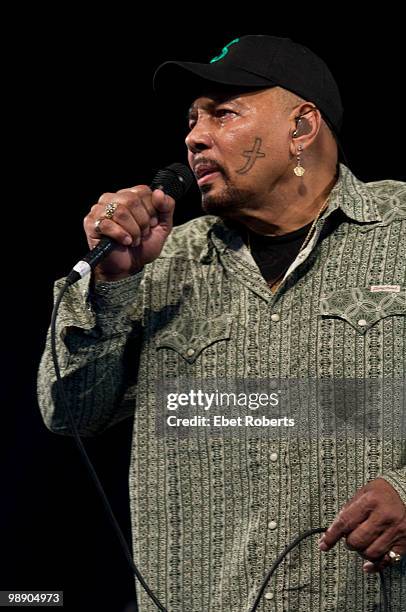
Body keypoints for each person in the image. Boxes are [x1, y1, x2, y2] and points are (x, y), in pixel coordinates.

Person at [37, 35, 406, 611]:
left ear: (302, 128)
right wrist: (110, 285)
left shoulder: (401, 230)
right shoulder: (161, 265)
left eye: (223, 113)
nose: (193, 136)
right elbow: (70, 414)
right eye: (191, 119)